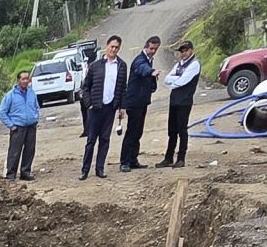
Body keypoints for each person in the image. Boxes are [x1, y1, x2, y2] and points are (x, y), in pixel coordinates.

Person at [78, 37, 125, 179]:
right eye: (112, 46)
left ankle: (100, 168)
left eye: (117, 47)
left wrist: (121, 107)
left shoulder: (121, 66)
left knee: (105, 139)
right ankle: (85, 170)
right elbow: (85, 87)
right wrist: (89, 104)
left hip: (110, 108)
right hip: (95, 108)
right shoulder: (95, 66)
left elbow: (123, 88)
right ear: (107, 46)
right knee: (91, 140)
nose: (114, 49)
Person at [119, 35, 161, 171]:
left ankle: (133, 159)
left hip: (142, 102)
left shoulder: (148, 60)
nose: (153, 51)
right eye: (151, 48)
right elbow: (141, 69)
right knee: (132, 132)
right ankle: (124, 162)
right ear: (146, 47)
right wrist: (151, 72)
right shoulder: (140, 60)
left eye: (155, 49)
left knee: (138, 132)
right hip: (134, 102)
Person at [160, 40, 202, 167]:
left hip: (185, 101)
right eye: (182, 51)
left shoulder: (195, 64)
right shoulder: (179, 64)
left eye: (186, 50)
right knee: (172, 130)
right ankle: (168, 157)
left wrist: (174, 80)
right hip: (174, 100)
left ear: (191, 50)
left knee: (182, 130)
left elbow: (183, 81)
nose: (184, 53)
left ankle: (181, 158)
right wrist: (175, 80)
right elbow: (166, 79)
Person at [0, 68, 41, 180]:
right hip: (18, 128)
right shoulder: (10, 95)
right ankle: (11, 174)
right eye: (23, 79)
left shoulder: (32, 92)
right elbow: (2, 112)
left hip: (31, 127)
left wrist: (36, 118)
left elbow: (36, 107)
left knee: (29, 150)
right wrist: (11, 125)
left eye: (27, 78)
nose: (25, 81)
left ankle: (25, 172)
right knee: (14, 152)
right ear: (18, 80)